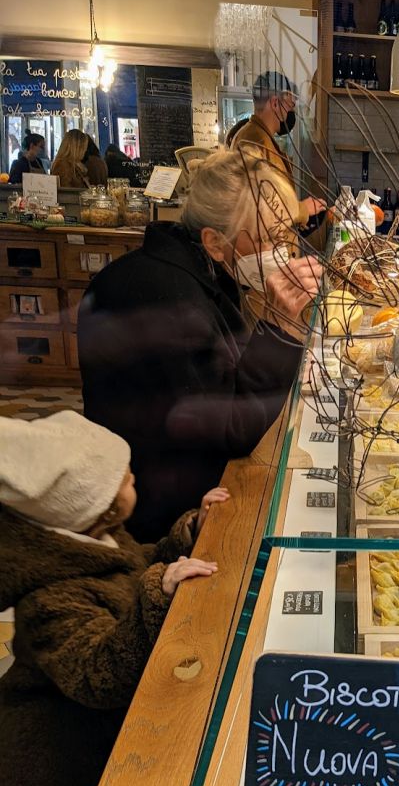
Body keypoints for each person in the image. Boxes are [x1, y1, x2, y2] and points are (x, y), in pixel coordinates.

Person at [0, 411, 225, 786]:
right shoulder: (49, 598)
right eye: (124, 478)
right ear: (98, 505)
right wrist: (160, 587)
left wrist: (185, 535)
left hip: (86, 738)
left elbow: (132, 564)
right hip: (57, 758)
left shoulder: (91, 539)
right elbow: (97, 676)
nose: (135, 481)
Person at [78, 149, 323, 540]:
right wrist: (278, 328)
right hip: (154, 521)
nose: (284, 251)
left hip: (169, 482)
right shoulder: (169, 298)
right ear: (213, 241)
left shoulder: (190, 273)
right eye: (271, 239)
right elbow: (231, 426)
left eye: (287, 235)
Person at [229, 71, 324, 226]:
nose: (290, 113)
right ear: (274, 103)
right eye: (290, 105)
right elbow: (259, 210)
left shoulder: (261, 137)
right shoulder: (254, 142)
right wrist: (302, 209)